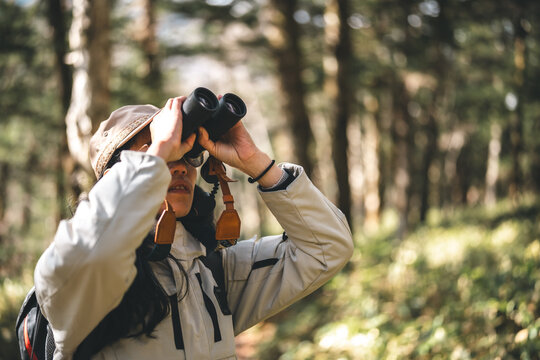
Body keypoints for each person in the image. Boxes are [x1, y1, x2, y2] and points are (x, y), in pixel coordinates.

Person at [33, 96, 353, 359]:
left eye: (187, 155)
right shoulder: (77, 277)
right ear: (117, 174)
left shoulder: (210, 269)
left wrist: (257, 163)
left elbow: (327, 249)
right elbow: (95, 253)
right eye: (160, 153)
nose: (180, 167)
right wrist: (159, 152)